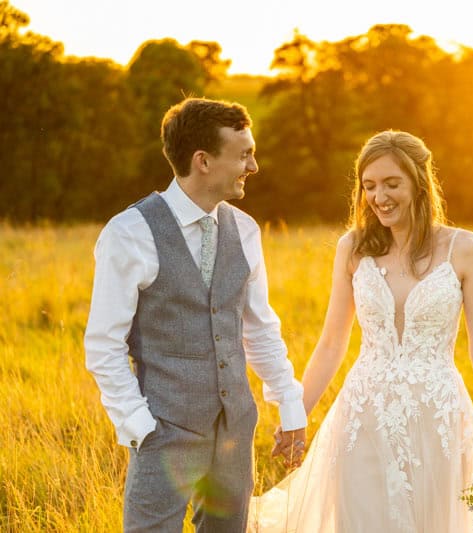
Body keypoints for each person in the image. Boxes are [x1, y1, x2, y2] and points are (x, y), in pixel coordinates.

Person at [249, 130, 473, 532]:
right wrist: (295, 414)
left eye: (392, 184)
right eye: (369, 186)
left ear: (420, 183)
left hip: (437, 416)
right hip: (364, 416)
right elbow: (333, 342)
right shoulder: (353, 248)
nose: (379, 197)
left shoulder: (462, 248)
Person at [85, 97, 307, 532]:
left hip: (235, 434)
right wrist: (139, 426)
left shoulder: (245, 230)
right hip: (162, 433)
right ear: (202, 161)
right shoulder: (128, 233)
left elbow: (259, 329)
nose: (254, 166)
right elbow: (103, 345)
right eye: (244, 155)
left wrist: (290, 404)